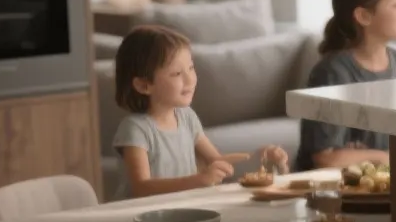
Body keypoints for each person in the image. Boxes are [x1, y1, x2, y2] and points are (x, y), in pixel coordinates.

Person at [112, 25, 286, 200]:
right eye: (177, 73)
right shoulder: (135, 129)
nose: (190, 79)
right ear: (144, 85)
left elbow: (218, 161)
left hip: (182, 211)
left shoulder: (187, 117)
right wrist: (198, 180)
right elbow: (141, 187)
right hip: (141, 217)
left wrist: (258, 157)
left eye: (191, 68)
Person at [297, 0, 396, 171]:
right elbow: (325, 158)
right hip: (333, 191)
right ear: (364, 16)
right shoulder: (332, 73)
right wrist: (386, 157)